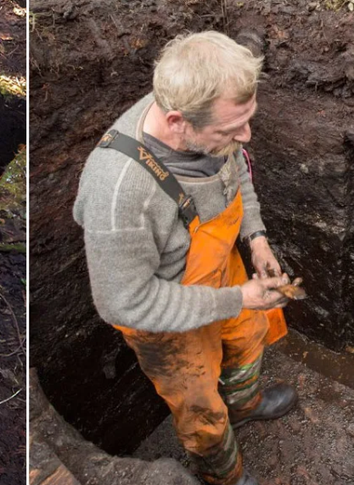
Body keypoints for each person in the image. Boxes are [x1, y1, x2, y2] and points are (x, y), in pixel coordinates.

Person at [73, 32, 297, 485]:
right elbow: (124, 302)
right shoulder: (119, 192)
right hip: (162, 314)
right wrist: (237, 299)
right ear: (177, 122)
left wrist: (256, 239)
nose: (246, 135)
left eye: (246, 121)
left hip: (221, 277)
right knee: (201, 411)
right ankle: (224, 476)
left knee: (249, 335)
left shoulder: (207, 120)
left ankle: (246, 406)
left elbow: (235, 171)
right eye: (232, 130)